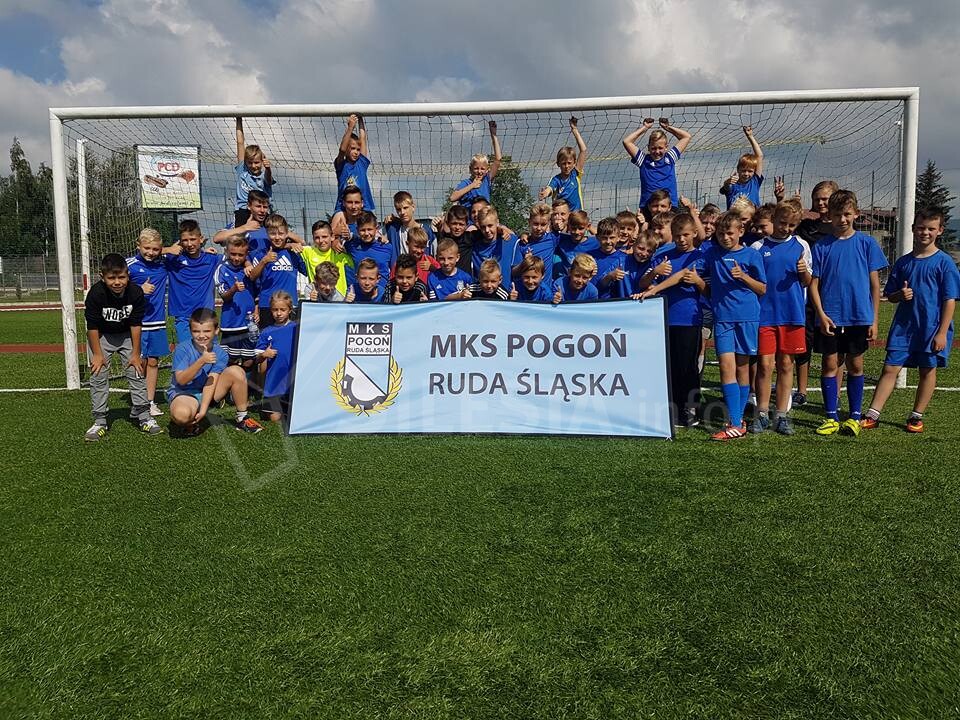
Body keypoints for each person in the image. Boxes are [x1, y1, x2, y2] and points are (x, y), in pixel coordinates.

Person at [861, 208, 960, 433]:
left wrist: (942, 333)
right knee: (890, 368)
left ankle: (916, 416)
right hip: (904, 328)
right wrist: (900, 295)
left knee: (927, 370)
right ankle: (873, 414)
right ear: (913, 229)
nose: (925, 232)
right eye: (921, 228)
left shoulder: (945, 263)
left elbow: (950, 301)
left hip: (931, 328)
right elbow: (890, 295)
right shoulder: (903, 262)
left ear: (940, 231)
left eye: (931, 228)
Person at [809, 190, 888, 436]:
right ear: (829, 216)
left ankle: (854, 416)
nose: (842, 219)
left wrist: (874, 319)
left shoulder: (867, 243)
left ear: (856, 214)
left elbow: (875, 286)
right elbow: (813, 285)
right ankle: (831, 417)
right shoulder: (821, 246)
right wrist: (821, 314)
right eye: (837, 215)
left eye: (846, 214)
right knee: (830, 364)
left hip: (858, 316)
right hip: (830, 317)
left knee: (855, 364)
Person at [698, 212, 767, 440]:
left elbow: (762, 289)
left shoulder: (752, 255)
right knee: (726, 367)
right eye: (721, 233)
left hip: (747, 317)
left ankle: (737, 422)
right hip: (722, 319)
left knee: (742, 369)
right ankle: (736, 422)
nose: (725, 237)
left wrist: (743, 277)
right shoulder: (712, 254)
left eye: (729, 233)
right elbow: (695, 270)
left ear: (740, 232)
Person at [749, 201, 812, 435]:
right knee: (765, 365)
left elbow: (807, 281)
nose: (786, 228)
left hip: (792, 315)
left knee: (786, 364)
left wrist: (803, 271)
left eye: (792, 225)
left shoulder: (801, 245)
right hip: (764, 315)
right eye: (783, 223)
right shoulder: (758, 247)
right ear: (774, 219)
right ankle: (762, 413)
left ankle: (782, 415)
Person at [637, 214, 705, 426]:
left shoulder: (701, 256)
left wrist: (655, 289)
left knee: (688, 366)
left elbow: (684, 275)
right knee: (670, 365)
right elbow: (643, 283)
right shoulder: (664, 255)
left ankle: (691, 408)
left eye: (685, 235)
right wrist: (654, 274)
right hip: (664, 318)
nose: (681, 239)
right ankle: (673, 407)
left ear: (694, 233)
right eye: (677, 236)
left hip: (689, 319)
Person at [83, 253, 159, 440]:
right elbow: (92, 327)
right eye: (111, 278)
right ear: (102, 277)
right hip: (102, 336)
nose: (117, 282)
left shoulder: (135, 292)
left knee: (136, 372)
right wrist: (97, 355)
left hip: (127, 335)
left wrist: (135, 353)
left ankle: (144, 416)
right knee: (98, 374)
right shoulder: (96, 294)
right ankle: (100, 420)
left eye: (122, 277)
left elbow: (136, 324)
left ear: (128, 275)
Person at [167, 308, 263, 436]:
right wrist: (201, 361)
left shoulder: (220, 353)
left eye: (207, 331)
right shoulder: (183, 349)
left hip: (208, 392)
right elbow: (181, 380)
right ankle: (189, 419)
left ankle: (242, 417)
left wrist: (204, 409)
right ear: (190, 331)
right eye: (196, 331)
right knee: (181, 415)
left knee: (236, 371)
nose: (201, 335)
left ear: (216, 330)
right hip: (184, 393)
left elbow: (211, 381)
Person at [793, 180, 839, 406]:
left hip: (833, 295)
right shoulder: (806, 227)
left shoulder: (842, 229)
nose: (821, 203)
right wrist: (786, 202)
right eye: (817, 199)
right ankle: (801, 391)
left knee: (835, 348)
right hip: (807, 294)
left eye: (825, 199)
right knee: (804, 343)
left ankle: (834, 394)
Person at [127, 228, 169, 417]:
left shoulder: (163, 264)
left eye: (155, 249)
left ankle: (150, 402)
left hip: (158, 322)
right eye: (147, 248)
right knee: (139, 361)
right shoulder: (129, 265)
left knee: (153, 361)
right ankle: (138, 401)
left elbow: (181, 252)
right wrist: (138, 289)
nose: (151, 252)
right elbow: (116, 288)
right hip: (137, 323)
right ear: (138, 246)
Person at [165, 219, 219, 343]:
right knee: (187, 352)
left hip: (206, 317)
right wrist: (168, 249)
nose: (189, 244)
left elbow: (235, 257)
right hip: (183, 317)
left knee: (209, 353)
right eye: (185, 240)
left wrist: (248, 264)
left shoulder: (211, 259)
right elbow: (148, 252)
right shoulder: (172, 259)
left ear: (201, 239)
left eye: (193, 239)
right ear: (180, 242)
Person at [250, 214, 308, 328]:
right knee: (268, 336)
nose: (277, 237)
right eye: (272, 234)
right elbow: (252, 277)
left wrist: (292, 245)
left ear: (286, 234)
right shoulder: (262, 254)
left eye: (281, 233)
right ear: (267, 234)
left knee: (291, 337)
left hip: (290, 305)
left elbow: (306, 271)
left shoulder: (293, 253)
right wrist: (264, 261)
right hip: (267, 305)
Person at [216, 236, 266, 367]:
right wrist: (234, 289)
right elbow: (224, 296)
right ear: (227, 252)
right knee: (230, 360)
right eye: (233, 254)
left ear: (246, 254)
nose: (236, 258)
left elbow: (256, 295)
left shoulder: (249, 272)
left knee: (249, 360)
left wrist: (256, 312)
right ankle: (230, 380)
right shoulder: (222, 269)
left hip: (249, 324)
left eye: (240, 255)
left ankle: (246, 381)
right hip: (231, 324)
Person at [623, 117, 691, 208]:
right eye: (653, 148)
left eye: (660, 148)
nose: (657, 151)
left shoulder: (670, 157)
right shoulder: (643, 160)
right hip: (648, 207)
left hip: (669, 207)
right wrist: (645, 128)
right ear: (648, 147)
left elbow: (686, 137)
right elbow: (627, 141)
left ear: (666, 147)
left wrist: (667, 127)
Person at [256, 291, 298, 422]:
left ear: (289, 310)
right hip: (274, 383)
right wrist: (264, 354)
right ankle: (267, 407)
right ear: (271, 310)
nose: (279, 313)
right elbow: (256, 358)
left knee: (293, 416)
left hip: (293, 382)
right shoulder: (266, 332)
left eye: (282, 310)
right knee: (275, 419)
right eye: (275, 310)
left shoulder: (297, 328)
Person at [449, 121, 501, 213]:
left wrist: (494, 135)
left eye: (482, 169)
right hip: (470, 220)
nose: (479, 171)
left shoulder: (487, 180)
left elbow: (498, 159)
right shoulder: (466, 183)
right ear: (471, 169)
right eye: (476, 168)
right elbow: (452, 198)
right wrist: (472, 185)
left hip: (484, 218)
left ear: (487, 170)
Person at [539, 116, 588, 211]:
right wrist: (546, 192)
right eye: (563, 163)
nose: (566, 166)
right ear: (558, 164)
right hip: (562, 216)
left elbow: (583, 150)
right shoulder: (556, 179)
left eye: (569, 163)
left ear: (574, 163)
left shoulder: (575, 174)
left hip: (576, 215)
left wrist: (574, 130)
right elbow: (550, 188)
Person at [234, 117, 274, 226]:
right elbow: (240, 143)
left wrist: (268, 169)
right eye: (250, 163)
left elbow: (269, 180)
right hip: (243, 210)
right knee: (241, 234)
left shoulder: (264, 176)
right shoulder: (243, 171)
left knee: (268, 231)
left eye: (256, 162)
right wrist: (238, 119)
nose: (253, 166)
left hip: (261, 211)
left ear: (262, 161)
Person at [345, 210, 396, 292]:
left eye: (369, 229)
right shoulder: (351, 245)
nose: (366, 233)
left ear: (376, 229)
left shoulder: (386, 247)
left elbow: (394, 270)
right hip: (359, 295)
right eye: (363, 230)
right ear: (357, 230)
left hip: (383, 295)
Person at [300, 220, 354, 295]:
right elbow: (294, 244)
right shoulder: (308, 252)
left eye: (324, 237)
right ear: (313, 239)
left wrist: (339, 239)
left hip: (339, 299)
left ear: (332, 237)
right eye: (317, 238)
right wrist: (291, 245)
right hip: (318, 299)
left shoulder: (339, 252)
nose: (321, 240)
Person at [334, 114, 375, 213]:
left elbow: (363, 138)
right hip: (344, 209)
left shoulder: (361, 163)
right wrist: (350, 128)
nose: (356, 152)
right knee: (338, 222)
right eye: (353, 148)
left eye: (358, 149)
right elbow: (342, 149)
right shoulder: (341, 165)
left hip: (364, 208)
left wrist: (360, 118)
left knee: (369, 223)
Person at [472, 207, 519, 290]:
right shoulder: (474, 247)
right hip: (482, 296)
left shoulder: (511, 242)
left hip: (507, 295)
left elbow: (518, 272)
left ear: (497, 222)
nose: (487, 230)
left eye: (490, 225)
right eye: (483, 227)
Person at [214, 190, 272, 256]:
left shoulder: (270, 226)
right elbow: (217, 238)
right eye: (258, 206)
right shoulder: (240, 224)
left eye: (265, 207)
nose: (262, 210)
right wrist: (245, 228)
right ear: (249, 206)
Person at [517, 203, 561, 290]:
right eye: (535, 224)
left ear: (548, 224)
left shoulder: (552, 238)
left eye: (543, 224)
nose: (539, 228)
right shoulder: (522, 243)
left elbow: (572, 234)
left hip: (546, 294)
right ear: (529, 222)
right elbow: (513, 272)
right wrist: (525, 263)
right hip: (526, 293)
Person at [720, 125, 764, 209]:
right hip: (735, 216)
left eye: (750, 171)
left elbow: (759, 156)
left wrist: (750, 136)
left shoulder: (754, 182)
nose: (746, 174)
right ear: (738, 170)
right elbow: (726, 187)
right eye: (743, 170)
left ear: (754, 171)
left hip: (753, 216)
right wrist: (727, 182)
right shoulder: (733, 185)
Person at [383, 191, 436, 256]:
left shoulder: (427, 231)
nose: (402, 212)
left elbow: (435, 255)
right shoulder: (392, 230)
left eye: (405, 208)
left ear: (413, 207)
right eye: (399, 209)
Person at [588, 217, 628, 299]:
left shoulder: (625, 258)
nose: (608, 242)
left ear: (618, 237)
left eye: (612, 237)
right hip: (593, 301)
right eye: (604, 238)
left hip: (615, 302)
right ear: (597, 237)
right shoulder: (589, 257)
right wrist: (609, 276)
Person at [555, 210, 598, 278]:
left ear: (587, 227)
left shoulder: (595, 242)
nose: (577, 232)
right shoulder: (562, 241)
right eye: (573, 228)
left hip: (587, 281)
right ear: (568, 226)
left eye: (581, 228)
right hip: (567, 281)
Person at [435, 205, 473, 273]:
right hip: (446, 277)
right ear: (448, 223)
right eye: (454, 223)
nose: (457, 227)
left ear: (466, 225)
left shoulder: (470, 237)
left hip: (465, 278)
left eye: (461, 224)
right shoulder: (444, 238)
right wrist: (439, 227)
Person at [622, 230, 658, 296]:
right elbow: (603, 284)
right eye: (641, 248)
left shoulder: (654, 265)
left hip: (642, 301)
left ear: (654, 252)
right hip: (622, 300)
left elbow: (654, 285)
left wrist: (650, 289)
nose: (644, 254)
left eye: (649, 251)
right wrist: (611, 276)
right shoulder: (621, 261)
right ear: (633, 245)